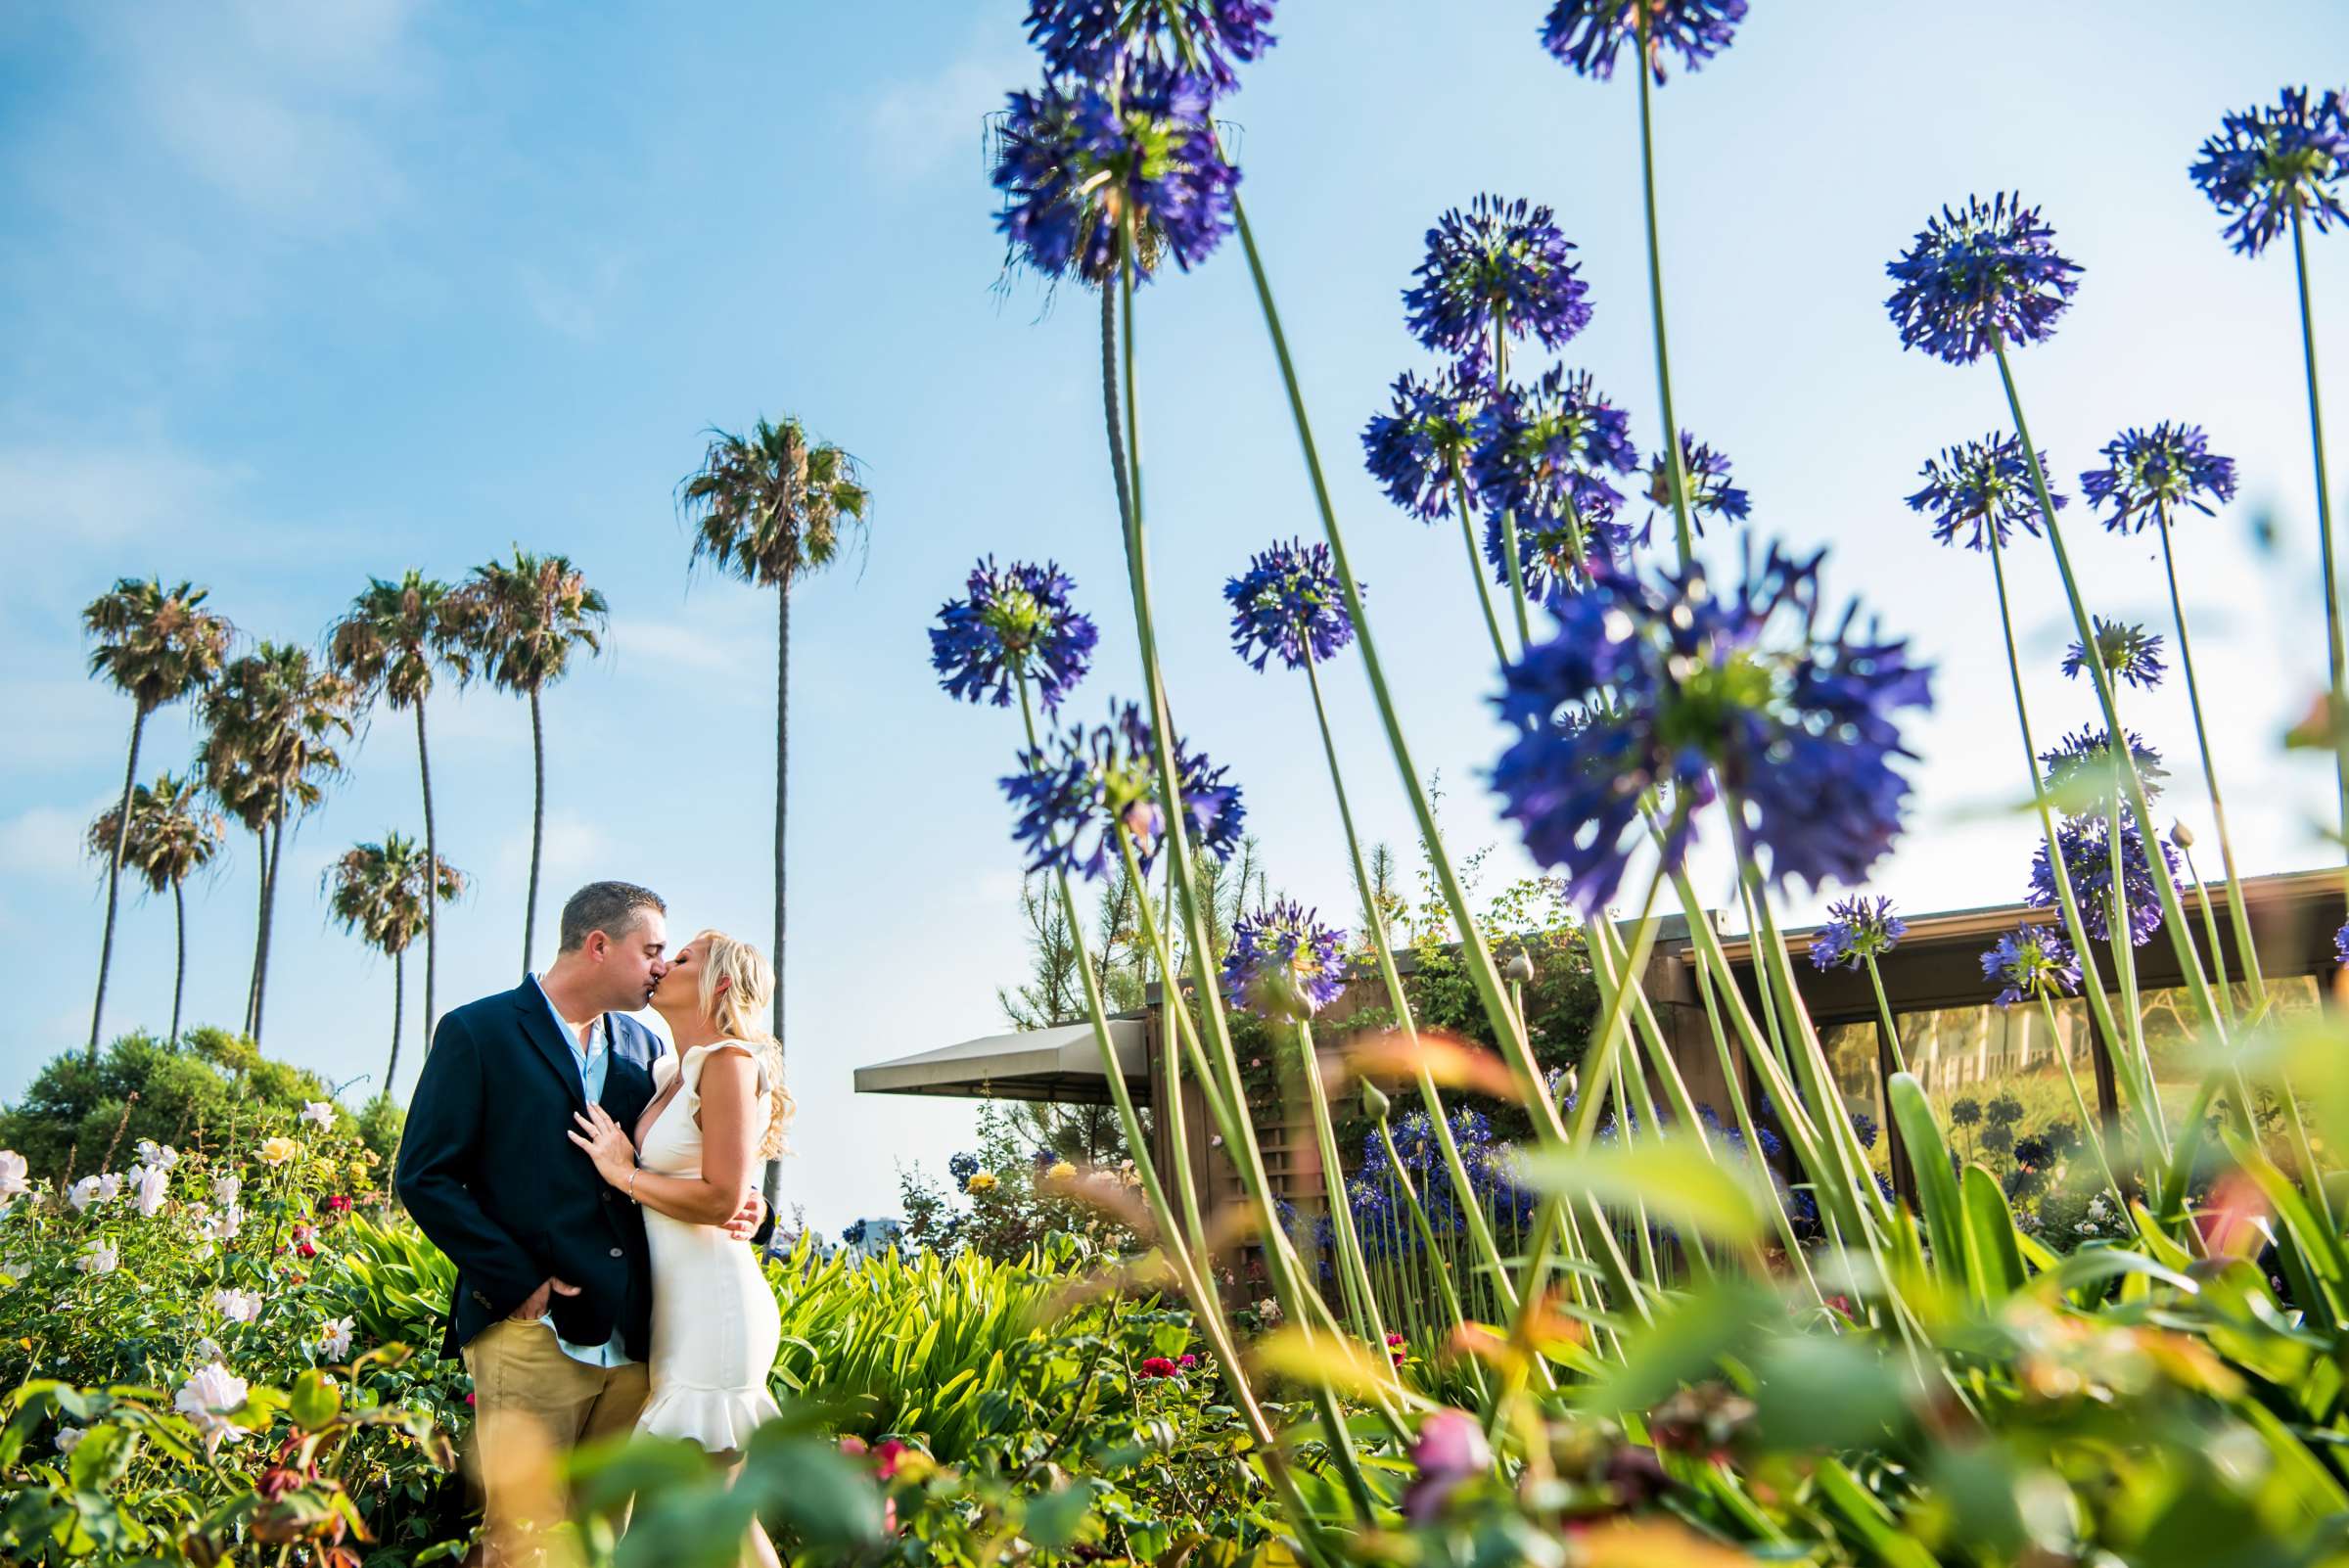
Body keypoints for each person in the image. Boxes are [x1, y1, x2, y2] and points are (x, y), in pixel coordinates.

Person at [394, 881, 765, 1552]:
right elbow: (424, 1177)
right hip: (530, 1333)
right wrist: (520, 1283)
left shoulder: (646, 1048)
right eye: (653, 950)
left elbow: (699, 1157)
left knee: (599, 1540)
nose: (661, 965)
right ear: (599, 945)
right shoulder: (477, 1032)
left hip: (634, 1345)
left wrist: (752, 1205)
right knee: (517, 1537)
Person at [567, 927, 795, 1568]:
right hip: (678, 1314)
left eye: (684, 958)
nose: (665, 964)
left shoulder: (729, 1061)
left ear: (719, 982)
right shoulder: (673, 1070)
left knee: (723, 1520)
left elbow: (723, 1197)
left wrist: (623, 1174)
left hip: (717, 1312)